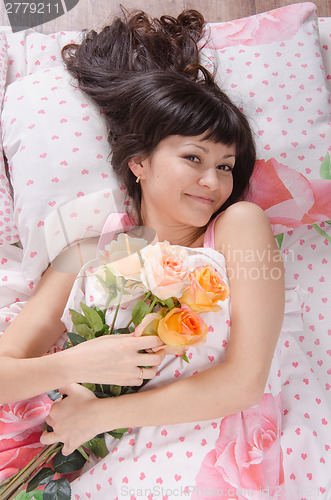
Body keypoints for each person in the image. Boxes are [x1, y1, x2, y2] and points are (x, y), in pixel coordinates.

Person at [0, 9, 286, 498]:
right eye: (193, 158)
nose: (214, 182)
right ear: (139, 163)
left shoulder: (239, 227)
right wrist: (82, 364)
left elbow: (244, 383)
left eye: (226, 166)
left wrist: (100, 415)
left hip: (188, 446)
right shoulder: (87, 250)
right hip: (61, 443)